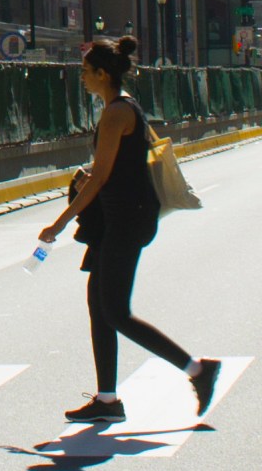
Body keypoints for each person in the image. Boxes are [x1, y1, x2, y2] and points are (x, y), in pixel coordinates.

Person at [38, 34, 219, 425]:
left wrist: (59, 222)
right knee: (99, 305)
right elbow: (109, 170)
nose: (83, 79)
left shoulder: (117, 113)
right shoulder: (120, 109)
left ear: (103, 74)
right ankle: (107, 400)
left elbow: (100, 177)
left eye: (86, 72)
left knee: (117, 312)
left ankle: (197, 371)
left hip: (125, 220)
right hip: (116, 220)